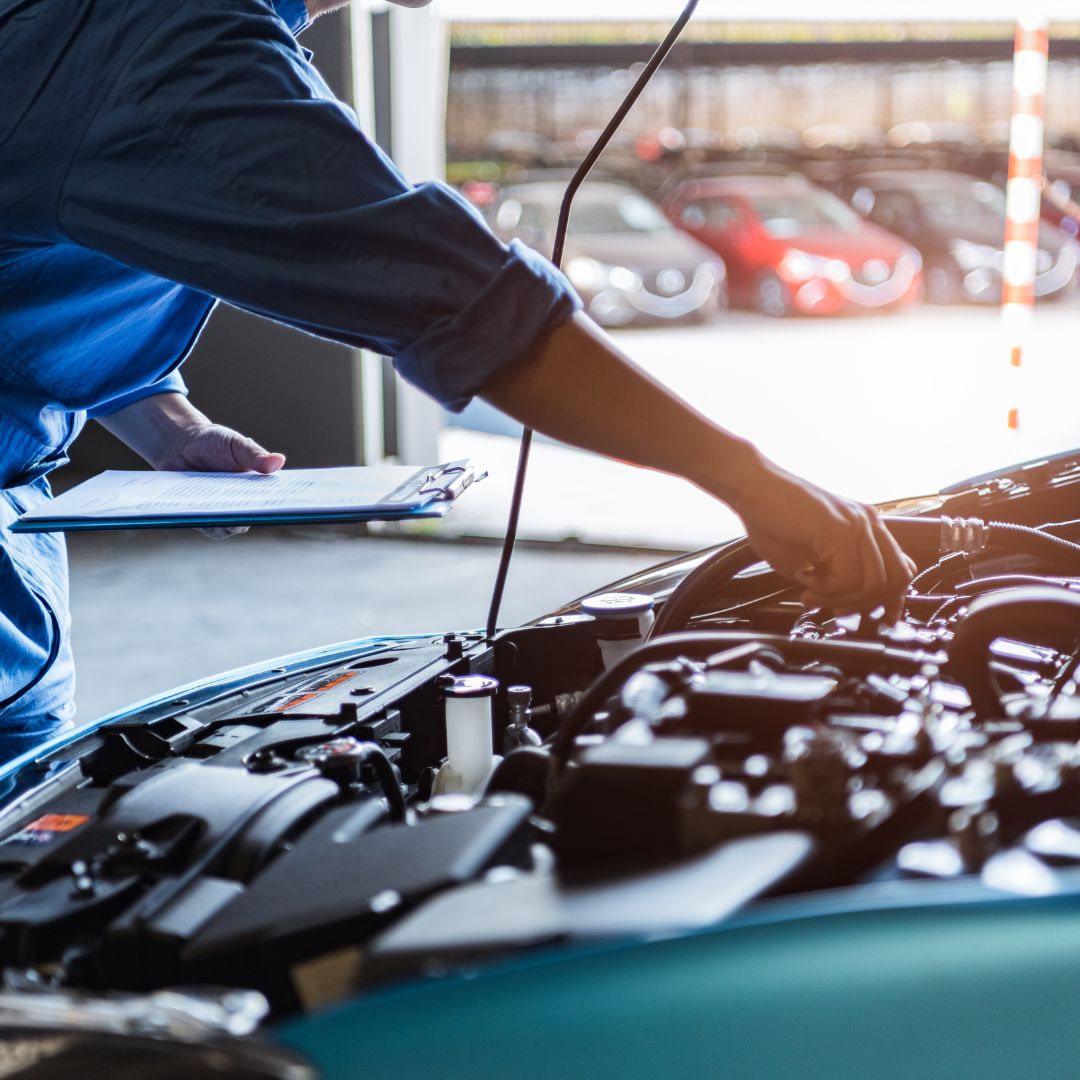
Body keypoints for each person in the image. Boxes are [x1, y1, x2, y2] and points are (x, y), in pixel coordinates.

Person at [0, 0, 914, 763]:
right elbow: (474, 311)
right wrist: (753, 484)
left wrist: (165, 422)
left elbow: (37, 266)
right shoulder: (161, 44)